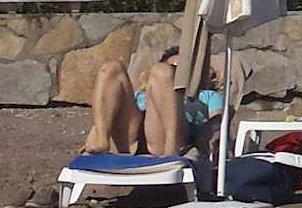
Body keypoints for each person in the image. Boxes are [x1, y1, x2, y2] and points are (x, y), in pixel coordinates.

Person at [79, 46, 221, 159]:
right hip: (131, 137)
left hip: (164, 137)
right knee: (111, 68)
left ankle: (171, 150)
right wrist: (96, 130)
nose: (176, 70)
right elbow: (110, 110)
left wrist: (203, 135)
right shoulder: (140, 93)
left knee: (162, 72)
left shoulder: (206, 95)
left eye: (180, 68)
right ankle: (102, 140)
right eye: (173, 66)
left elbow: (218, 120)